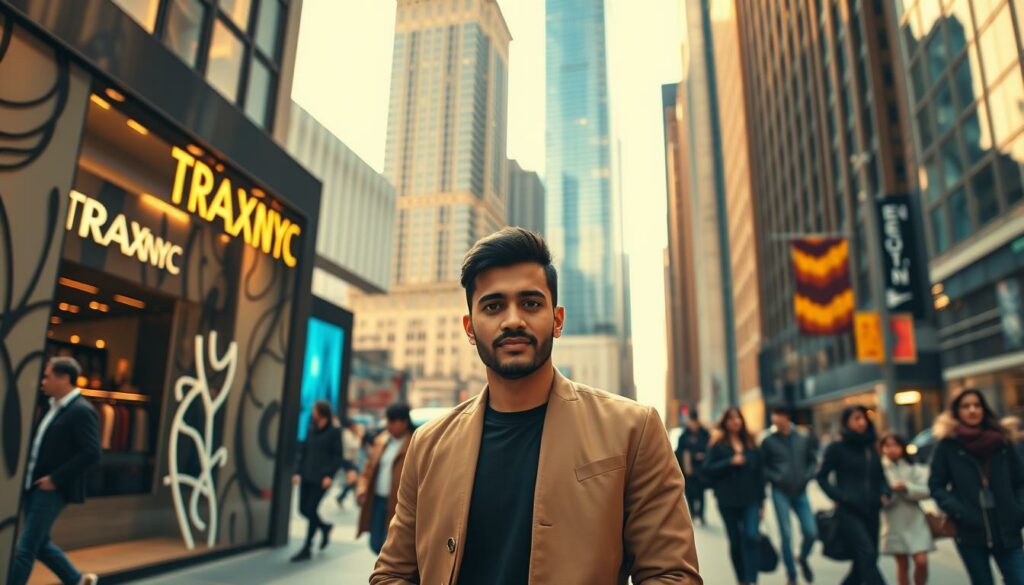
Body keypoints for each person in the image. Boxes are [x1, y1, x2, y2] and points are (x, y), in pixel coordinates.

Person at [370, 228, 701, 584]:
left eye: (530, 303)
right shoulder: (428, 444)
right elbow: (392, 573)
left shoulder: (633, 429)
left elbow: (672, 574)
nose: (513, 320)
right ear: (469, 328)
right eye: (493, 306)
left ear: (557, 320)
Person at [9, 357, 100, 585]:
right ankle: (78, 580)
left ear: (64, 378)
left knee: (25, 548)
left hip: (53, 489)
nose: (42, 381)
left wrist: (55, 479)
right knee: (39, 544)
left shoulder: (81, 410)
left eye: (47, 376)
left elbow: (91, 452)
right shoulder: (52, 407)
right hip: (34, 485)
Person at [929, 389, 1024, 585]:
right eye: (966, 406)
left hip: (1007, 528)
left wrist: (1019, 510)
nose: (972, 410)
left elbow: (1020, 481)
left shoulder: (1003, 440)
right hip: (969, 531)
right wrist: (959, 511)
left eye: (977, 405)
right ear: (957, 411)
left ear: (984, 409)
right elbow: (936, 484)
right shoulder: (948, 445)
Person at [817, 405, 891, 585]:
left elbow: (880, 477)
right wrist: (841, 496)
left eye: (864, 418)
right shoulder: (837, 448)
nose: (862, 422)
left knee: (866, 559)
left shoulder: (870, 447)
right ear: (846, 422)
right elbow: (821, 477)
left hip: (872, 510)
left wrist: (885, 492)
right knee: (867, 553)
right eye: (856, 418)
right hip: (849, 511)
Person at [704, 407, 765, 585]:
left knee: (752, 536)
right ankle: (741, 579)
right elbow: (707, 469)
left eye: (738, 418)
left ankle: (752, 579)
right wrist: (729, 462)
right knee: (736, 540)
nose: (735, 421)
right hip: (727, 500)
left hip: (751, 499)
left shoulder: (751, 442)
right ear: (725, 422)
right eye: (731, 418)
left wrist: (762, 502)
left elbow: (760, 473)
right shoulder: (717, 444)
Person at [760, 406, 818, 585]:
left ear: (787, 417)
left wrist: (808, 476)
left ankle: (802, 557)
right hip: (780, 492)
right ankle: (791, 575)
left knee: (811, 532)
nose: (775, 418)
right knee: (786, 534)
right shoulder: (768, 441)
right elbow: (763, 467)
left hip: (801, 491)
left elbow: (812, 460)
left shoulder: (802, 437)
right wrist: (775, 477)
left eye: (778, 415)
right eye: (773, 415)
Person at [290, 400, 345, 562]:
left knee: (311, 508)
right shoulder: (311, 429)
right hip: (307, 475)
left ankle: (307, 547)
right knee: (303, 509)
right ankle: (325, 527)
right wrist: (297, 472)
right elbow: (303, 452)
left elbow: (338, 456)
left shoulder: (334, 432)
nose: (312, 412)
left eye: (314, 410)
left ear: (322, 412)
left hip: (321, 479)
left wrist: (329, 475)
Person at [357, 403, 413, 554]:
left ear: (404, 422)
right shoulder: (382, 441)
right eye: (388, 420)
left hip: (398, 504)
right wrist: (362, 489)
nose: (388, 425)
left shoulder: (414, 443)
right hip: (377, 500)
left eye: (392, 421)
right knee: (375, 543)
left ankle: (384, 568)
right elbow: (368, 469)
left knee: (389, 545)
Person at [878, 433, 933, 585]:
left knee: (921, 561)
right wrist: (890, 492)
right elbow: (877, 494)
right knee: (902, 564)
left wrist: (907, 488)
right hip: (893, 519)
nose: (892, 449)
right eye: (887, 446)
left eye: (896, 445)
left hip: (915, 518)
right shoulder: (879, 468)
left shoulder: (912, 466)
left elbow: (927, 490)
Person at [676, 411, 710, 526]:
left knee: (700, 493)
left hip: (701, 469)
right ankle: (692, 513)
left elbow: (709, 449)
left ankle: (700, 514)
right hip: (688, 469)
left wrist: (702, 455)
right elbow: (679, 452)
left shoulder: (704, 434)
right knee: (689, 493)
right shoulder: (684, 436)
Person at [336, 418, 363, 507]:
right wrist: (359, 437)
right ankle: (355, 497)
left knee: (353, 480)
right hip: (347, 460)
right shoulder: (346, 433)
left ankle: (342, 497)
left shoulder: (349, 433)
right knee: (355, 478)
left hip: (349, 460)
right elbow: (354, 446)